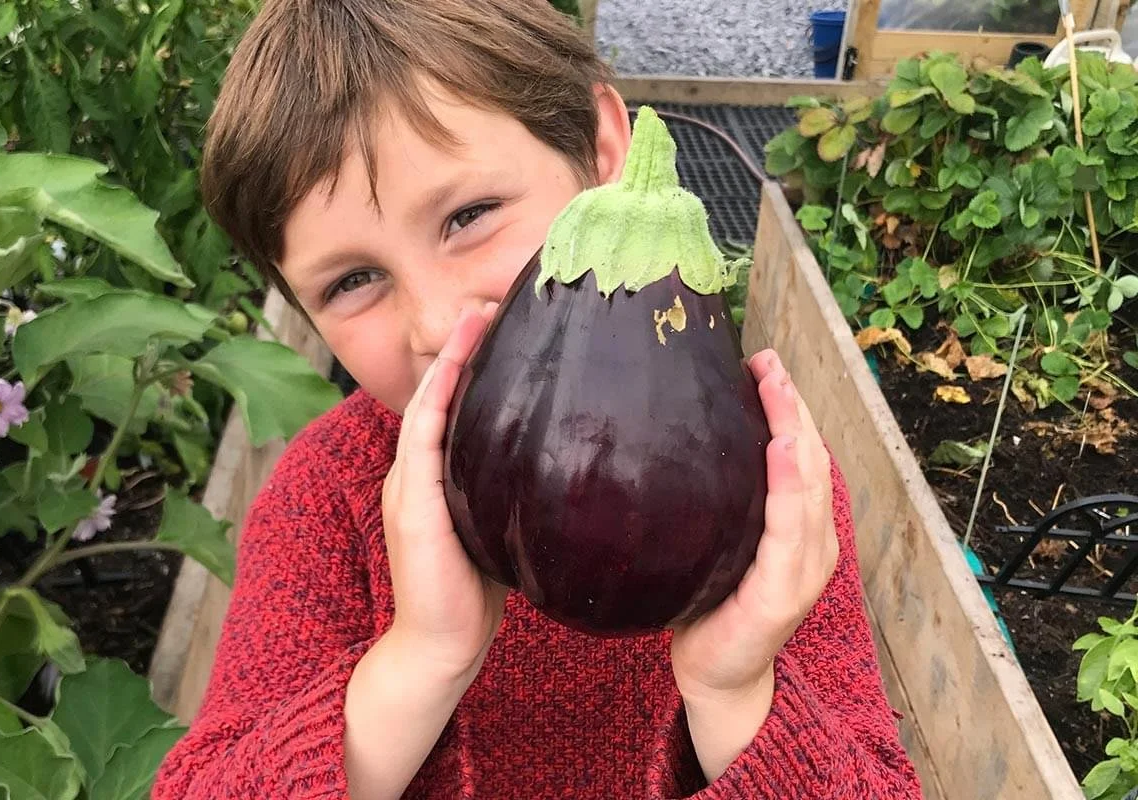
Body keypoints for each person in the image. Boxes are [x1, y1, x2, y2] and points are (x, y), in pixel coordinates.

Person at [151, 1, 924, 797]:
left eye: (469, 216)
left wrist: (733, 689)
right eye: (353, 281)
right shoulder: (325, 500)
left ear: (604, 153)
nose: (436, 320)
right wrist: (422, 658)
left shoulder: (769, 490)